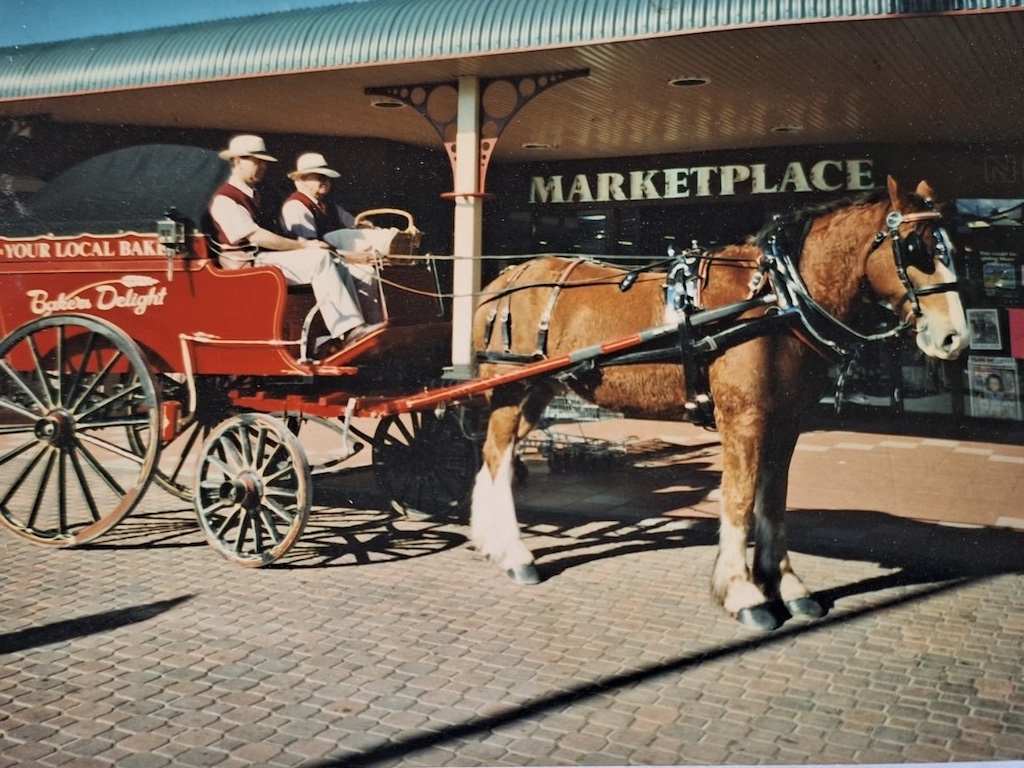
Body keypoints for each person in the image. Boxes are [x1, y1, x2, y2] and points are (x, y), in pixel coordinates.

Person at [207, 135, 380, 358]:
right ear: (237, 161)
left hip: (266, 260)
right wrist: (302, 245)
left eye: (264, 162)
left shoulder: (257, 195)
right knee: (319, 259)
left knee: (349, 269)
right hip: (247, 266)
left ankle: (359, 331)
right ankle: (348, 330)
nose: (262, 166)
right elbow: (256, 237)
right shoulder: (226, 198)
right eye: (255, 161)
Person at [279, 152, 384, 325]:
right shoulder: (296, 206)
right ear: (302, 180)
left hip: (334, 260)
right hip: (316, 265)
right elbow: (310, 248)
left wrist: (367, 228)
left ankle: (374, 324)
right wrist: (352, 257)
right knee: (364, 273)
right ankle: (361, 326)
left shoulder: (329, 206)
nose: (325, 182)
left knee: (370, 271)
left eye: (327, 178)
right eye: (319, 177)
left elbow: (355, 223)